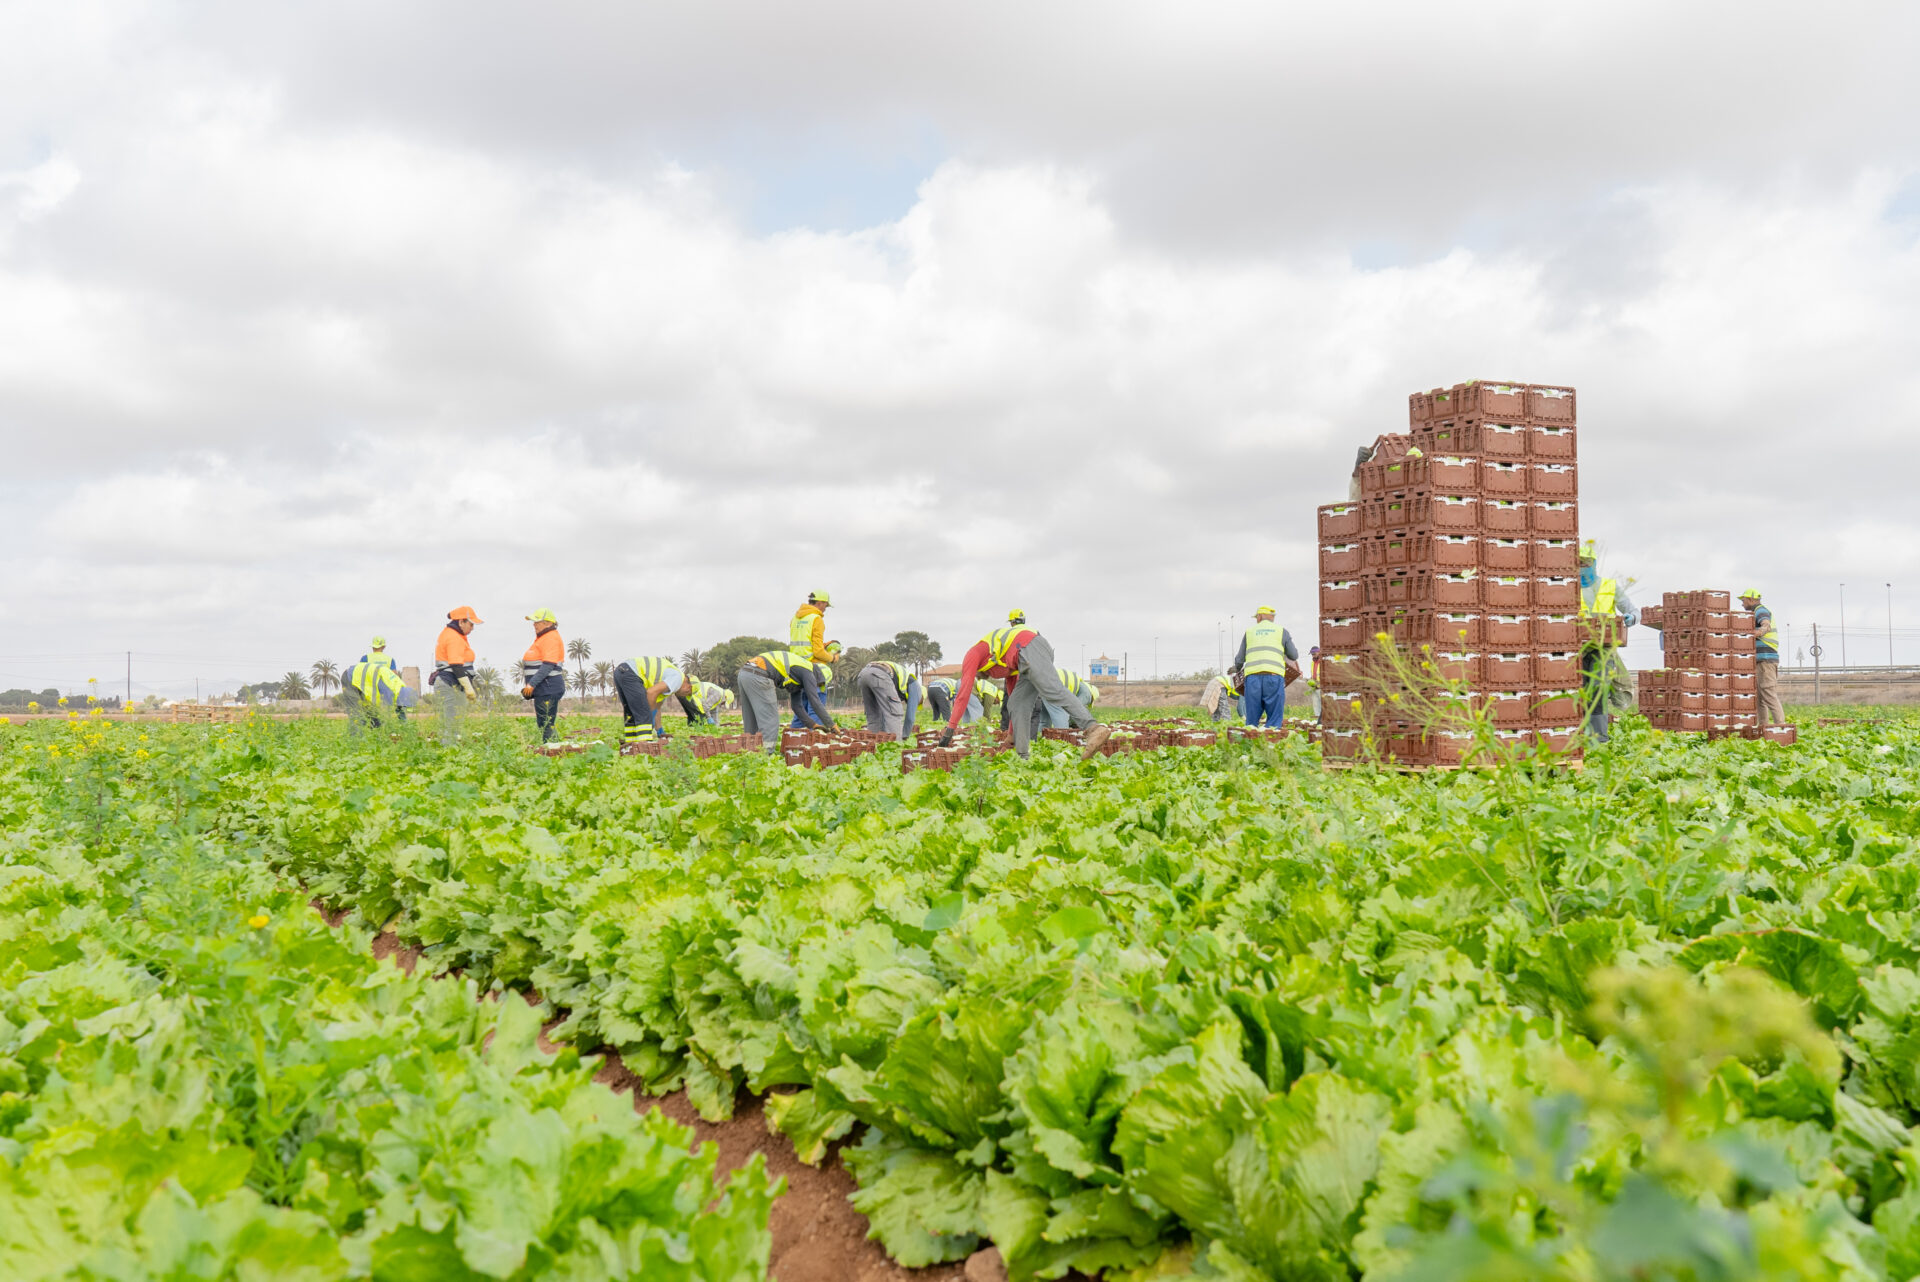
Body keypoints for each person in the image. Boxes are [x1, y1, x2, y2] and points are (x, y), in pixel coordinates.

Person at [939, 623, 1111, 761]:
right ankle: (1022, 756)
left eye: (979, 675)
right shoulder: (1005, 666)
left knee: (1052, 690)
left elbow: (963, 694)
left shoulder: (973, 654)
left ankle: (1093, 727)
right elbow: (1015, 699)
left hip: (1028, 646)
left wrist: (950, 730)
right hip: (1026, 655)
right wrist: (1010, 736)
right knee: (1017, 703)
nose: (981, 678)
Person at [1577, 541, 1639, 743]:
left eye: (1586, 562)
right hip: (1575, 650)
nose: (1582, 567)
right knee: (1577, 692)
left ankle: (1599, 738)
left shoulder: (1610, 586)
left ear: (1594, 564)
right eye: (1578, 563)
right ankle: (1578, 735)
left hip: (1602, 649)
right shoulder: (1565, 588)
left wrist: (1631, 618)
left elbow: (1633, 610)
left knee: (1597, 689)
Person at [736, 649, 834, 752]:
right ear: (817, 676)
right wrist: (831, 725)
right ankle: (765, 755)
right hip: (760, 675)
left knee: (750, 720)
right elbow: (815, 702)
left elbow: (797, 707)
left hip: (745, 673)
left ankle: (749, 752)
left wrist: (813, 725)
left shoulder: (797, 672)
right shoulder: (808, 672)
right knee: (770, 722)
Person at [1231, 606, 1300, 729]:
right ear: (1272, 617)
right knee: (1274, 718)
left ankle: (1251, 742)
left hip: (1252, 679)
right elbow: (1293, 655)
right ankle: (1271, 743)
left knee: (1251, 719)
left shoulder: (1250, 632)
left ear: (1259, 616)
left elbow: (1240, 659)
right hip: (1273, 677)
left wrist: (1236, 668)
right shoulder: (1281, 631)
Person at [612, 655, 694, 745]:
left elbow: (656, 706)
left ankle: (631, 746)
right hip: (631, 673)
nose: (683, 696)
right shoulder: (678, 678)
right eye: (687, 694)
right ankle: (644, 749)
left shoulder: (667, 681)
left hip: (621, 672)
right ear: (689, 688)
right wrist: (649, 718)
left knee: (631, 714)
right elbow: (651, 693)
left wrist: (659, 730)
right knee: (643, 714)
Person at [431, 606, 482, 745]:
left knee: (449, 724)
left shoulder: (454, 635)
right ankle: (449, 758)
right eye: (471, 624)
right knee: (452, 725)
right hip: (450, 684)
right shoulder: (454, 637)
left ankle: (447, 755)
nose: (472, 628)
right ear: (461, 622)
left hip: (449, 683)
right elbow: (456, 665)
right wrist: (468, 688)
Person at [519, 609, 568, 743]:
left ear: (547, 623)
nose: (534, 625)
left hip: (549, 688)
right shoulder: (543, 638)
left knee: (546, 723)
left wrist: (531, 684)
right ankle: (554, 749)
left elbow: (548, 665)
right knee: (544, 723)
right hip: (544, 689)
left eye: (537, 622)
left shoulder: (550, 637)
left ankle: (553, 753)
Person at [342, 654, 417, 732]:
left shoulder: (401, 687)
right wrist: (395, 731)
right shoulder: (389, 691)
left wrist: (405, 728)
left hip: (363, 682)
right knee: (356, 714)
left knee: (372, 713)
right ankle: (356, 740)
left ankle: (375, 736)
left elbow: (400, 708)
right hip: (351, 677)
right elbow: (386, 715)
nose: (403, 707)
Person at [1741, 588, 1784, 725]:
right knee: (1759, 697)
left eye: (1744, 600)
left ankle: (1781, 727)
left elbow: (1766, 625)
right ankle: (1763, 727)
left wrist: (1751, 634)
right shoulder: (1754, 612)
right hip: (1760, 661)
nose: (1742, 604)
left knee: (1768, 694)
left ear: (1751, 600)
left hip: (1766, 660)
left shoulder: (1760, 610)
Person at [859, 659, 923, 741]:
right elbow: (910, 717)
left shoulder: (902, 685)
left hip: (863, 674)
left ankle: (874, 745)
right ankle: (895, 747)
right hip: (880, 675)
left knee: (874, 714)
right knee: (894, 713)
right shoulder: (917, 688)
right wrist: (904, 736)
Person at [789, 591, 836, 664]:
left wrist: (823, 645)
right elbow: (818, 652)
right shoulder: (816, 619)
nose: (825, 609)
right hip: (810, 665)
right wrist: (833, 658)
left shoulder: (795, 618)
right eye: (826, 605)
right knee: (827, 672)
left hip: (794, 663)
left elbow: (803, 644)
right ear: (820, 603)